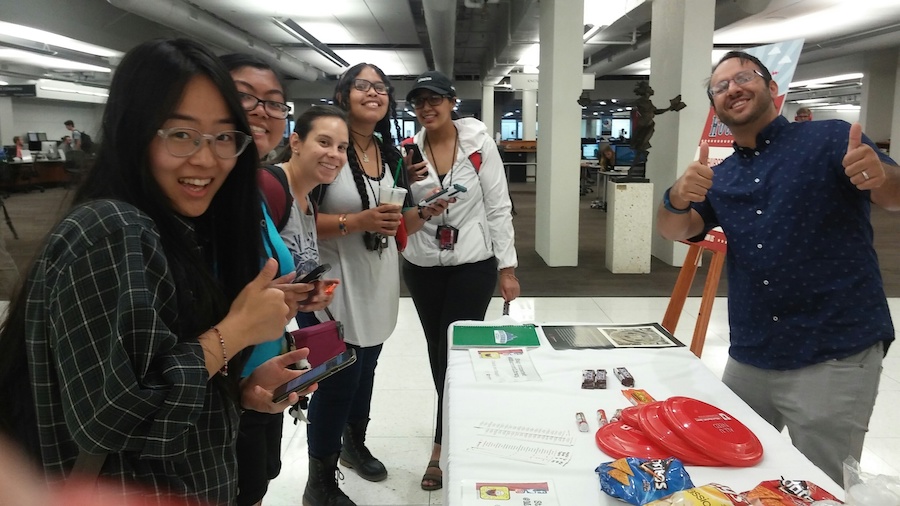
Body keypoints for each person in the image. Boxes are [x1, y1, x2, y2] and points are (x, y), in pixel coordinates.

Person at [0, 38, 317, 504]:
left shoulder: (175, 229)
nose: (207, 159)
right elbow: (114, 417)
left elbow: (155, 371)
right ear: (135, 132)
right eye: (181, 134)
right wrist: (235, 331)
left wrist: (238, 391)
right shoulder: (112, 229)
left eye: (224, 136)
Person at [657, 50, 899, 484]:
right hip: (752, 353)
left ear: (772, 89)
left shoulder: (830, 139)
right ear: (716, 108)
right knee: (736, 474)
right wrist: (675, 196)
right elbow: (677, 230)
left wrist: (880, 177)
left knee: (822, 484)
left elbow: (894, 195)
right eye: (720, 86)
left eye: (744, 77)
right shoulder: (724, 174)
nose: (732, 87)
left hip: (833, 349)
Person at [303, 62, 447, 506]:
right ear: (344, 94)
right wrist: (355, 221)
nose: (374, 93)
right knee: (336, 380)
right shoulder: (329, 149)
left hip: (377, 278)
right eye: (362, 85)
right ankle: (319, 481)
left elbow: (391, 220)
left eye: (381, 87)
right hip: (333, 285)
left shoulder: (388, 153)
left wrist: (422, 214)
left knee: (366, 369)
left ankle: (353, 443)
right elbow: (300, 221)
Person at [220, 52, 333, 506]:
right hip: (225, 392)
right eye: (245, 98)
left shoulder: (253, 189)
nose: (262, 111)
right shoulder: (214, 196)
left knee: (258, 481)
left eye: (273, 102)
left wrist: (288, 299)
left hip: (264, 380)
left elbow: (253, 286)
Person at [402, 70, 520, 491]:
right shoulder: (408, 152)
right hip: (421, 266)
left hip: (473, 263)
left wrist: (507, 268)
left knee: (456, 352)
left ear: (452, 102)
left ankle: (442, 443)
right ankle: (450, 426)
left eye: (435, 99)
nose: (427, 108)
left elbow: (498, 205)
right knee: (437, 352)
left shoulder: (478, 146)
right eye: (418, 102)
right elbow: (399, 210)